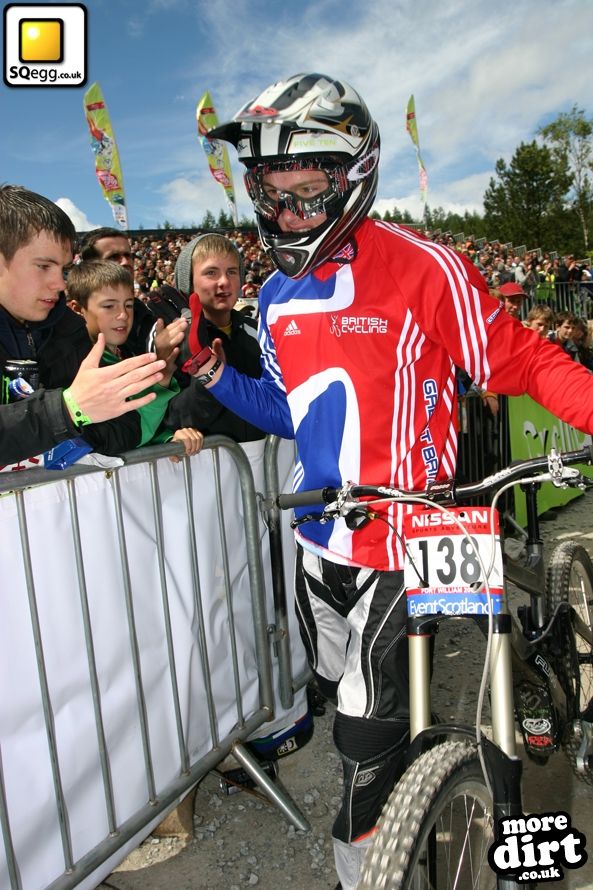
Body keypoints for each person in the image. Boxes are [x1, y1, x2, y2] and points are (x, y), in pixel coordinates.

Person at [180, 73, 593, 889]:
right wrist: (217, 375)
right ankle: (426, 799)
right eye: (273, 194)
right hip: (318, 538)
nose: (288, 215)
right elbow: (294, 411)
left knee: (366, 737)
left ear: (353, 176)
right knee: (348, 705)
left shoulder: (421, 266)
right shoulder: (274, 294)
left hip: (410, 535)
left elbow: (523, 358)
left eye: (307, 193)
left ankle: (379, 862)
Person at [0, 183, 168, 466]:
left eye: (64, 269)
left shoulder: (68, 327)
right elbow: (74, 410)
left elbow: (125, 428)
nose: (60, 283)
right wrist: (66, 411)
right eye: (43, 266)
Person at [66, 260, 203, 457]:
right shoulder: (75, 367)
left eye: (129, 305)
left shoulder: (127, 355)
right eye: (109, 306)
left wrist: (168, 440)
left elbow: (140, 429)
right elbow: (122, 436)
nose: (123, 315)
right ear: (78, 310)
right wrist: (160, 377)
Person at [162, 234, 266, 443]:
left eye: (232, 272)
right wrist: (212, 380)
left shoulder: (258, 331)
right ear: (189, 280)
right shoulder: (174, 339)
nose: (224, 282)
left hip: (269, 468)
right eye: (211, 273)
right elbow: (170, 417)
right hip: (209, 469)